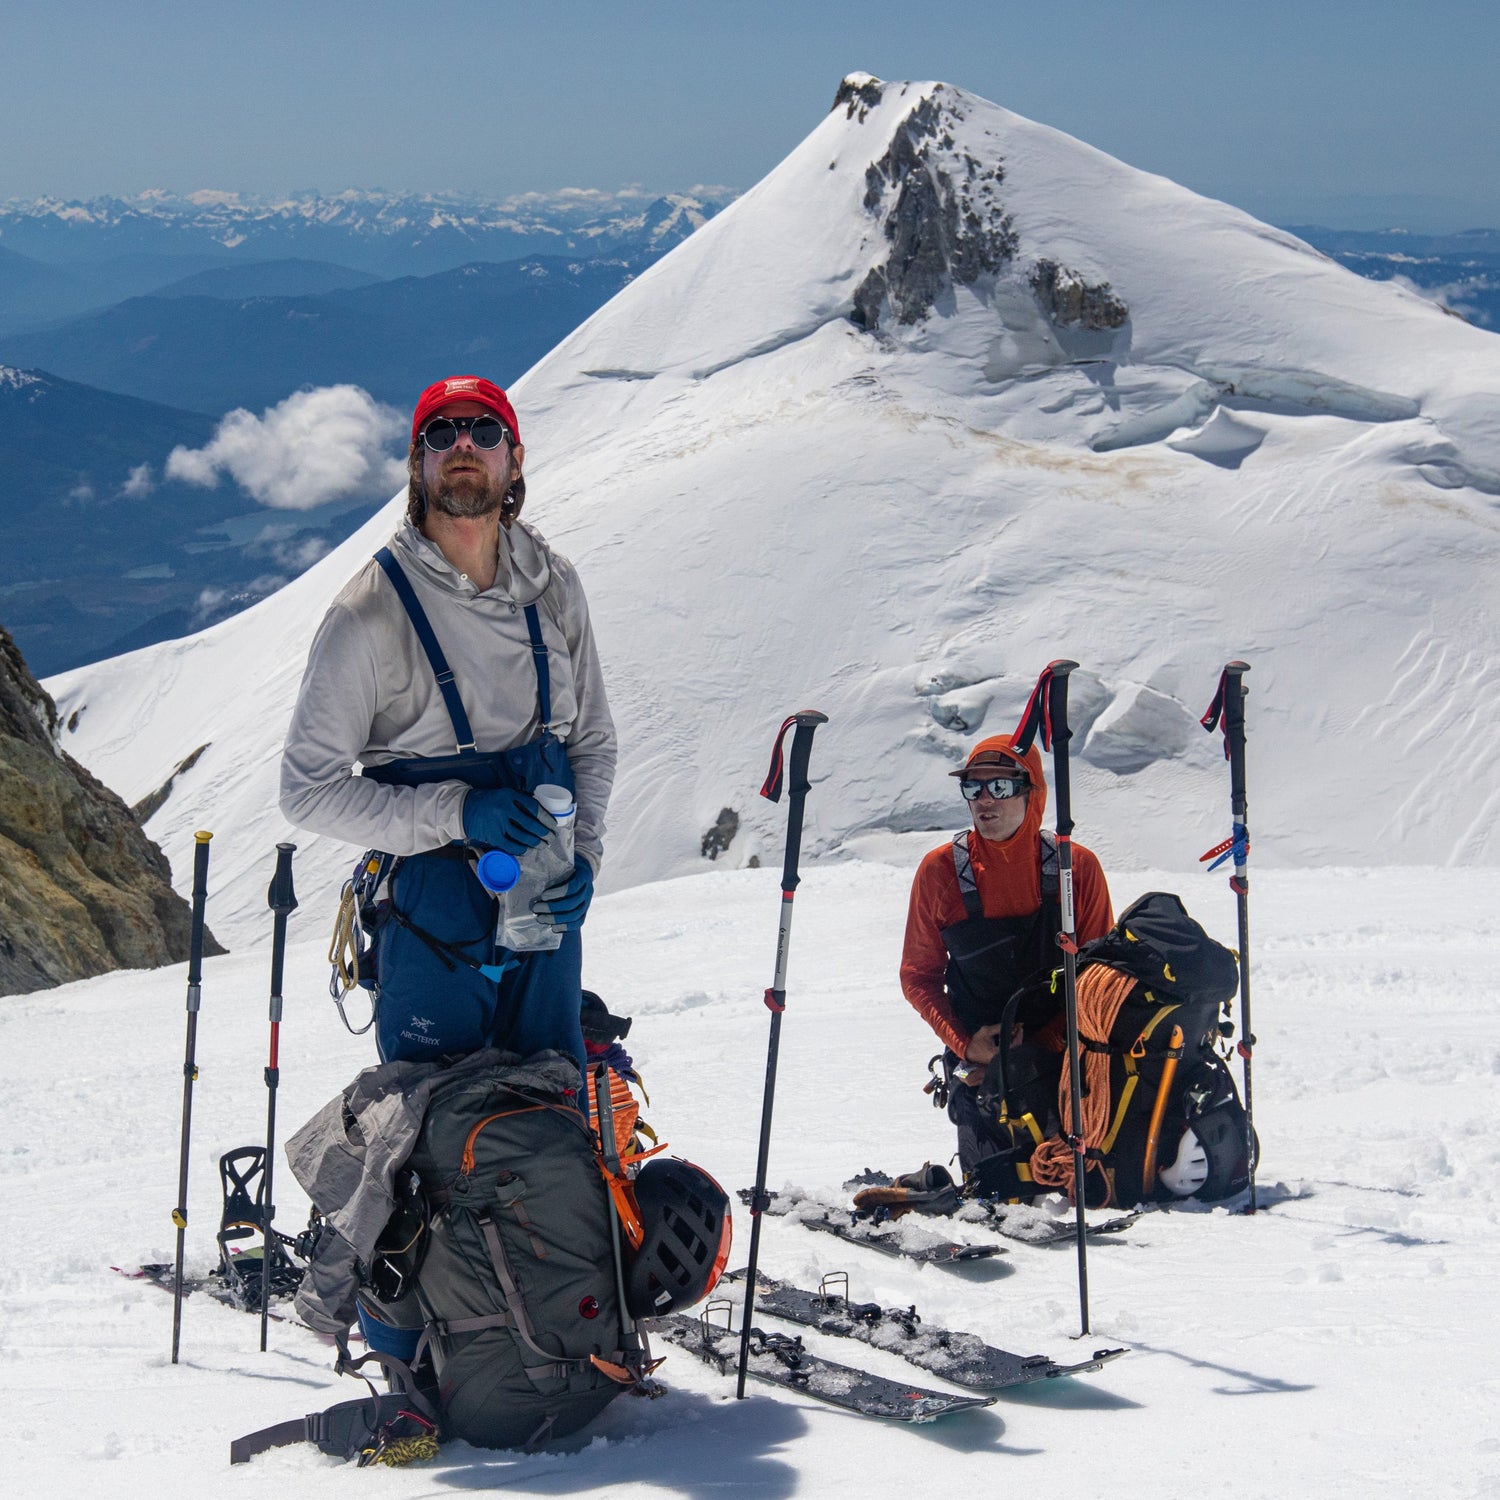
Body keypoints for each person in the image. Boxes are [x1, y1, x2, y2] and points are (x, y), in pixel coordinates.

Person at [280, 375, 615, 1079]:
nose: (464, 444)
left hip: (545, 896)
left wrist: (585, 855)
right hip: (432, 908)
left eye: (484, 431)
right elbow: (306, 792)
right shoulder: (367, 613)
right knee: (438, 1109)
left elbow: (590, 740)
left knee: (554, 1091)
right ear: (418, 464)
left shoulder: (554, 585)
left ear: (514, 461)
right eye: (442, 433)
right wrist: (459, 811)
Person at [900, 732, 1113, 1184]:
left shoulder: (1076, 870)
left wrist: (1044, 1046)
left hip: (1067, 1064)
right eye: (972, 787)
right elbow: (918, 976)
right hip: (981, 1070)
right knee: (995, 1187)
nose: (984, 800)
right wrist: (965, 1045)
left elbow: (1098, 979)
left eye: (999, 786)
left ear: (1032, 792)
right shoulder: (940, 872)